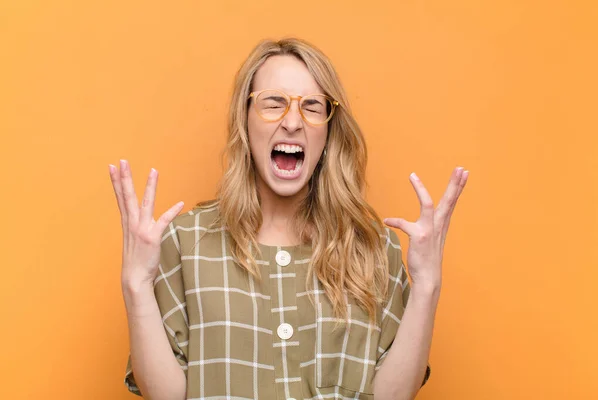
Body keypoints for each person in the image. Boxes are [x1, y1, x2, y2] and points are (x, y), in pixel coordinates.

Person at [109, 37, 468, 400]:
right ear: (244, 120)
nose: (293, 122)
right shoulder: (187, 242)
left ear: (329, 130)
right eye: (273, 103)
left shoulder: (374, 248)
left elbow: (393, 395)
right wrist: (137, 284)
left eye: (312, 107)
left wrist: (426, 285)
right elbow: (167, 395)